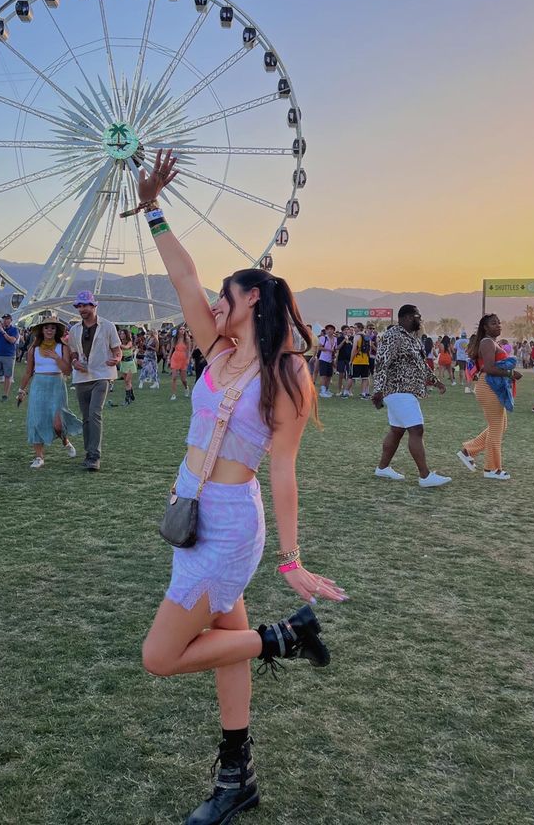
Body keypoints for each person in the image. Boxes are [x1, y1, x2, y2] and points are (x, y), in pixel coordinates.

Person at [133, 151, 346, 825]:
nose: (212, 304)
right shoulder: (217, 348)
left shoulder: (287, 373)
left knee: (161, 656)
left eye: (226, 296)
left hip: (229, 527)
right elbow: (184, 273)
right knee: (220, 640)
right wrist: (154, 209)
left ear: (253, 297)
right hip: (192, 512)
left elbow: (283, 468)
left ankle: (284, 637)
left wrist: (291, 559)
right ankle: (237, 777)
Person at [372, 304, 451, 487]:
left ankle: (382, 468)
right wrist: (377, 390)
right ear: (408, 317)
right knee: (416, 430)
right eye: (418, 316)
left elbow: (420, 364)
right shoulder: (393, 336)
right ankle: (425, 476)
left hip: (406, 391)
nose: (420, 320)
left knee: (397, 430)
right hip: (398, 390)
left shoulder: (412, 338)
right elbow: (382, 363)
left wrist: (434, 380)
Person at [457, 314, 522, 480]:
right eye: (494, 323)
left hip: (493, 387)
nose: (498, 325)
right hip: (489, 387)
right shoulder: (486, 342)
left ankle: (468, 450)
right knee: (496, 428)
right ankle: (491, 469)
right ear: (485, 327)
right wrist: (510, 373)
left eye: (499, 322)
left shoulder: (492, 342)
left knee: (500, 425)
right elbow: (489, 368)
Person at [16, 317, 81, 468]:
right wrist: (21, 390)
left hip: (57, 384)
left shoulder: (62, 347)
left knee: (58, 424)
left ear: (56, 331)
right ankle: (39, 457)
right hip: (38, 385)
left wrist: (56, 358)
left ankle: (65, 441)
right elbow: (28, 372)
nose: (49, 330)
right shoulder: (34, 349)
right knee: (36, 420)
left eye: (52, 328)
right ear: (42, 330)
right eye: (46, 328)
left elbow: (67, 371)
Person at [67, 291, 121, 471]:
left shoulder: (108, 326)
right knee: (86, 417)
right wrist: (74, 361)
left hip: (102, 375)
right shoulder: (74, 330)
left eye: (85, 305)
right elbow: (73, 351)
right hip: (82, 377)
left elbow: (117, 350)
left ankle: (94, 456)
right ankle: (88, 452)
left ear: (94, 306)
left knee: (95, 413)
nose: (82, 309)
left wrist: (117, 359)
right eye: (79, 306)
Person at [170, 325, 192, 400]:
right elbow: (171, 349)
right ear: (178, 331)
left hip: (183, 359)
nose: (182, 330)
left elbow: (188, 350)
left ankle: (186, 387)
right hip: (175, 357)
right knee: (174, 377)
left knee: (183, 380)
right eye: (181, 329)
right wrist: (168, 357)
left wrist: (188, 359)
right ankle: (173, 394)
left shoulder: (187, 339)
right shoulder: (174, 339)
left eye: (183, 329)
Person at [350, 321, 371, 398]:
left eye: (355, 328)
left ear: (359, 328)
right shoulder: (367, 336)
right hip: (365, 360)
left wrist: (351, 360)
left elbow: (354, 349)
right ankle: (363, 393)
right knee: (365, 378)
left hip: (357, 360)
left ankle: (346, 392)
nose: (354, 329)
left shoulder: (357, 336)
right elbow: (369, 349)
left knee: (352, 377)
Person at [316, 324, 338, 398]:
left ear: (333, 331)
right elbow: (319, 348)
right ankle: (322, 391)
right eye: (328, 329)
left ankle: (327, 390)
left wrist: (334, 353)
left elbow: (335, 348)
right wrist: (329, 350)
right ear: (326, 330)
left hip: (330, 359)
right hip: (323, 359)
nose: (330, 331)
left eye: (331, 329)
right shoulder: (323, 338)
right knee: (323, 375)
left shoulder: (335, 339)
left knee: (329, 375)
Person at [117, 328, 137, 405]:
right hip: (123, 363)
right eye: (120, 334)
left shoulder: (129, 342)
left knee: (127, 381)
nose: (121, 335)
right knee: (127, 382)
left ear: (126, 335)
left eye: (123, 334)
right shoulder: (120, 342)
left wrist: (117, 344)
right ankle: (131, 395)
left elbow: (126, 347)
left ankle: (127, 399)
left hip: (130, 364)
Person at [335, 325, 353, 397]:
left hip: (349, 359)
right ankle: (339, 390)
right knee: (341, 375)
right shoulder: (339, 338)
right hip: (341, 358)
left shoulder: (352, 338)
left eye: (347, 330)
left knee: (350, 376)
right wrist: (344, 340)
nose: (346, 331)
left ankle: (349, 390)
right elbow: (337, 348)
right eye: (345, 330)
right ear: (342, 331)